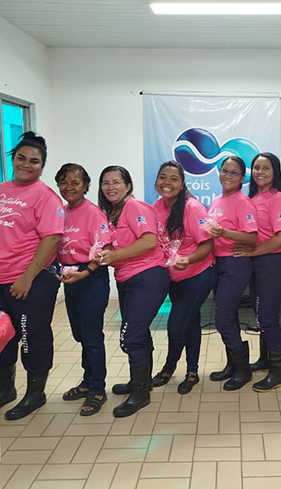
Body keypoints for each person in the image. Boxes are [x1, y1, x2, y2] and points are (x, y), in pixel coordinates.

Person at [0, 131, 63, 420]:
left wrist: (27, 277)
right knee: (0, 337)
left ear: (42, 166)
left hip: (31, 280)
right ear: (13, 159)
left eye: (34, 161)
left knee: (32, 336)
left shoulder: (45, 197)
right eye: (21, 158)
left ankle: (35, 393)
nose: (26, 164)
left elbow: (52, 238)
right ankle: (5, 390)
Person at [98, 166, 169, 418]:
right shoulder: (113, 211)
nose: (110, 187)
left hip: (147, 277)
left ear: (128, 186)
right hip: (127, 278)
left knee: (131, 336)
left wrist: (114, 255)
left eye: (116, 182)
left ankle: (140, 395)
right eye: (105, 183)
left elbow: (149, 241)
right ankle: (142, 382)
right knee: (138, 332)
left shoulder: (135, 207)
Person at [151, 161, 214, 395]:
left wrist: (188, 260)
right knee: (191, 322)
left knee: (176, 326)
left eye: (173, 178)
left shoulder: (193, 208)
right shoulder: (156, 207)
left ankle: (169, 367)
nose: (167, 183)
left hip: (198, 275)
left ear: (182, 184)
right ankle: (192, 371)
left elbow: (208, 244)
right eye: (162, 177)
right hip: (173, 278)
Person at [233, 152, 281, 392]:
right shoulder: (252, 197)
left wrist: (254, 251)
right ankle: (265, 360)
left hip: (272, 263)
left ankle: (277, 373)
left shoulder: (277, 198)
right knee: (260, 314)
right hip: (257, 262)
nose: (260, 172)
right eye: (256, 167)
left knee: (268, 317)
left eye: (266, 168)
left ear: (275, 172)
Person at [55, 163, 111, 416]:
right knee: (80, 335)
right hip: (70, 279)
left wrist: (86, 272)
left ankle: (97, 389)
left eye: (75, 183)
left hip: (91, 278)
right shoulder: (61, 212)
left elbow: (104, 249)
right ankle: (87, 381)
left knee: (92, 336)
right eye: (64, 182)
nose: (69, 187)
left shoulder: (93, 213)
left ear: (86, 185)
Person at [208, 156, 258, 391]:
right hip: (218, 263)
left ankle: (243, 369)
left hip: (235, 264)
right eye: (224, 171)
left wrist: (225, 233)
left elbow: (252, 237)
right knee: (229, 317)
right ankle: (233, 364)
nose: (228, 176)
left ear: (242, 178)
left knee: (222, 318)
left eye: (234, 173)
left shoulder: (243, 202)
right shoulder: (217, 200)